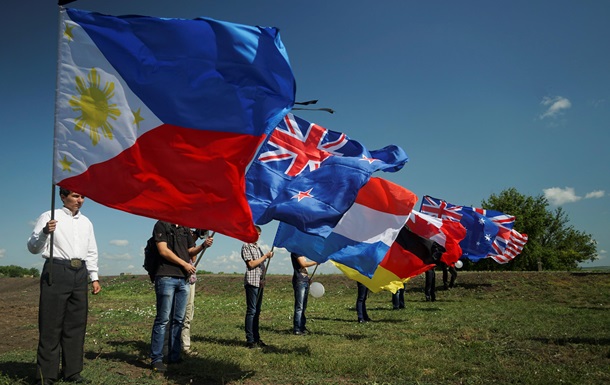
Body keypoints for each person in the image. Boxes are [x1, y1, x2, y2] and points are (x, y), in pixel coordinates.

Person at [27, 188, 101, 385]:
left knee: (76, 324)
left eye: (83, 196)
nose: (80, 200)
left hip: (80, 272)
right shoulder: (49, 216)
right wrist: (44, 232)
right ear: (63, 196)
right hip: (56, 269)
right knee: (51, 325)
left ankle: (73, 372)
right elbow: (33, 247)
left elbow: (92, 250)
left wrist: (94, 277)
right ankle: (47, 376)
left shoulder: (86, 222)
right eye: (76, 196)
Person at [149, 221, 208, 373]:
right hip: (166, 276)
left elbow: (190, 251)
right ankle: (157, 358)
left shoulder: (185, 229)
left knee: (178, 319)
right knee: (163, 319)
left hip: (183, 280)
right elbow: (163, 251)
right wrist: (185, 264)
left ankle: (174, 356)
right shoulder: (161, 225)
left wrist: (203, 246)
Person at [180, 229, 213, 357]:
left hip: (190, 280)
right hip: (177, 278)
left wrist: (194, 242)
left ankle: (185, 346)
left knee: (187, 314)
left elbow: (193, 258)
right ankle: (169, 346)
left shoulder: (190, 240)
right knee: (174, 315)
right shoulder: (179, 234)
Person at [241, 225, 274, 348]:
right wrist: (265, 256)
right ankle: (250, 339)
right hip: (251, 282)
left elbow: (261, 266)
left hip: (259, 282)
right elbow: (251, 264)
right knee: (251, 311)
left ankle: (257, 337)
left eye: (259, 234)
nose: (258, 236)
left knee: (257, 311)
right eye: (256, 234)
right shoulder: (246, 246)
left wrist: (263, 278)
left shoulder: (258, 248)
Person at [290, 253, 317, 335]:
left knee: (303, 306)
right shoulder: (296, 252)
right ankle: (297, 328)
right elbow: (303, 264)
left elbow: (303, 268)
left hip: (304, 281)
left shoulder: (301, 253)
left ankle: (302, 326)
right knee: (299, 306)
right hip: (300, 281)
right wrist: (315, 262)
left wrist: (308, 277)